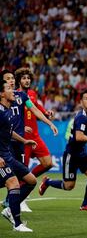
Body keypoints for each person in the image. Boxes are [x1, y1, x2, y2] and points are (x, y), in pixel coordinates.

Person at [38, 90, 87, 211]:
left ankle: (85, 204)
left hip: (82, 153)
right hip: (71, 155)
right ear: (82, 102)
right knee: (69, 186)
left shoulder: (86, 115)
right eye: (86, 98)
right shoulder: (81, 116)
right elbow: (79, 137)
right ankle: (48, 182)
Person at [1, 69, 58, 212]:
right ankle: (13, 204)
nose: (12, 80)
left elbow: (35, 110)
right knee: (14, 176)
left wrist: (49, 123)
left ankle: (12, 204)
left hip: (20, 142)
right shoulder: (4, 100)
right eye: (8, 79)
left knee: (22, 176)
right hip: (6, 144)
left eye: (13, 78)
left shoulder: (22, 96)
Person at [0, 79, 37, 232]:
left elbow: (9, 132)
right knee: (13, 183)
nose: (13, 91)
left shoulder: (8, 111)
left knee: (31, 180)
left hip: (7, 155)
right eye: (9, 88)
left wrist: (24, 141)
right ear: (2, 94)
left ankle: (10, 209)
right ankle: (17, 224)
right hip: (1, 157)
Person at [15, 68, 54, 178]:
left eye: (28, 78)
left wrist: (46, 113)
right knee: (23, 169)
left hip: (35, 136)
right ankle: (22, 188)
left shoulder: (32, 93)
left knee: (48, 163)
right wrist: (22, 127)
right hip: (23, 138)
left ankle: (28, 180)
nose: (27, 80)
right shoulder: (14, 96)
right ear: (19, 81)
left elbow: (36, 107)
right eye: (24, 78)